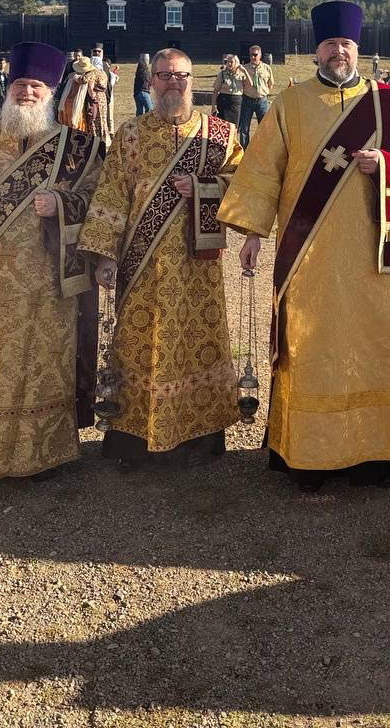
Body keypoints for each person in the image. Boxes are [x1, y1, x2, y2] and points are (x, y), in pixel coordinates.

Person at [218, 1, 390, 493]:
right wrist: (252, 233)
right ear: (317, 49)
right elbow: (263, 169)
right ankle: (309, 456)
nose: (340, 51)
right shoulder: (290, 103)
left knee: (372, 343)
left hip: (370, 254)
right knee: (308, 344)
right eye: (331, 44)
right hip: (307, 254)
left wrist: (388, 163)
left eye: (347, 44)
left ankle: (378, 453)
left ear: (358, 48)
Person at [0, 42, 105, 483]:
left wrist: (63, 204)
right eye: (20, 85)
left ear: (51, 93)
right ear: (8, 89)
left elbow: (100, 202)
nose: (27, 93)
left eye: (36, 87)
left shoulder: (77, 149)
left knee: (43, 364)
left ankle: (43, 454)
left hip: (51, 281)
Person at [78, 48, 243, 471]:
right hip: (141, 267)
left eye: (181, 75)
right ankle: (134, 441)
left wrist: (206, 186)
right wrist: (104, 256)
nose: (173, 82)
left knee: (197, 345)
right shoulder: (130, 134)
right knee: (138, 346)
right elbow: (111, 194)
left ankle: (198, 438)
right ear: (150, 81)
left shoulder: (220, 134)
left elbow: (244, 185)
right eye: (164, 75)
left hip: (198, 268)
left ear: (193, 80)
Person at [58, 55, 110, 141]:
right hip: (102, 98)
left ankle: (94, 138)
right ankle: (104, 138)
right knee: (103, 119)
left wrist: (75, 77)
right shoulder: (103, 73)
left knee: (93, 119)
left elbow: (86, 83)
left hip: (94, 99)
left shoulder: (91, 73)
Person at [238, 44, 274, 150]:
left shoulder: (267, 68)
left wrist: (264, 92)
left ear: (260, 55)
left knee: (263, 127)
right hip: (247, 100)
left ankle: (263, 149)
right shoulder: (245, 68)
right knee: (244, 128)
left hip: (262, 101)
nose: (253, 57)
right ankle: (244, 150)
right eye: (251, 55)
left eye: (255, 55)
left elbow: (271, 83)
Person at [211, 54, 248, 125]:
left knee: (234, 126)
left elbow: (250, 84)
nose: (229, 64)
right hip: (224, 101)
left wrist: (245, 71)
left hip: (236, 103)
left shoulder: (241, 75)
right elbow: (215, 91)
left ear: (237, 63)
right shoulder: (222, 74)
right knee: (222, 125)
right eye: (228, 62)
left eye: (231, 62)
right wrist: (213, 106)